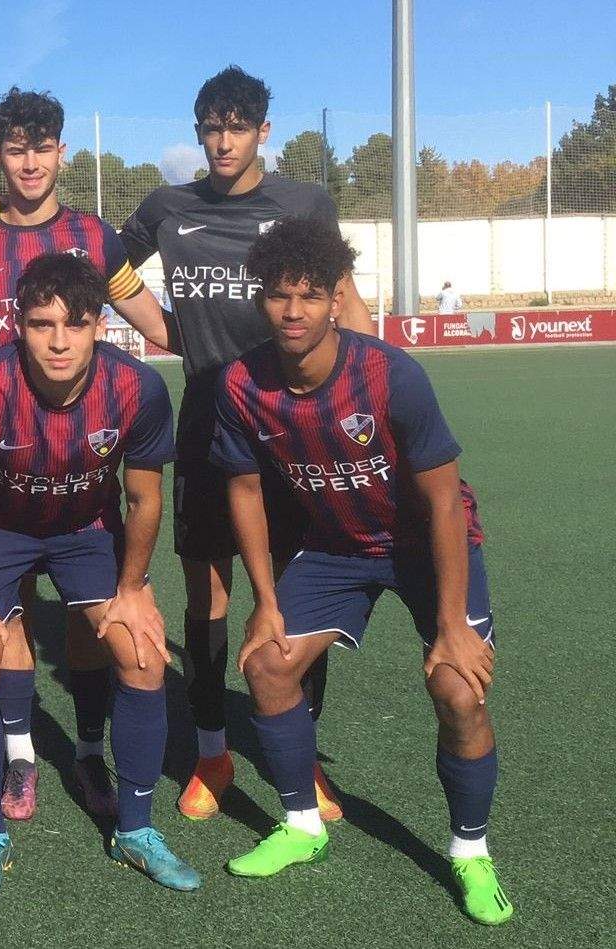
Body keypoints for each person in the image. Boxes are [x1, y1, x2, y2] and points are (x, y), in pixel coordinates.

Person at [211, 217, 511, 926]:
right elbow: (245, 490)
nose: (293, 311)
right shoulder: (242, 384)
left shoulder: (389, 374)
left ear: (336, 299)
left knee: (458, 689)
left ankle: (471, 850)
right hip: (339, 543)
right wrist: (264, 602)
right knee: (268, 663)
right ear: (261, 299)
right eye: (280, 296)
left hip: (426, 543)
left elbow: (443, 500)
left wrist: (449, 626)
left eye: (311, 296)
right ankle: (301, 827)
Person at [120, 66, 374, 821]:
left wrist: (378, 388)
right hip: (205, 414)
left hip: (289, 423)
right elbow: (108, 264)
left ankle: (299, 754)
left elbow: (344, 299)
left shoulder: (303, 203)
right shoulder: (169, 206)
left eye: (237, 126)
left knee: (299, 594)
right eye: (210, 126)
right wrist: (166, 330)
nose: (223, 140)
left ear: (263, 130)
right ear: (199, 131)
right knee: (210, 594)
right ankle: (210, 749)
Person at [0, 252, 193, 897]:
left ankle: (135, 827)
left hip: (85, 529)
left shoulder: (138, 388)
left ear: (99, 326)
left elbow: (144, 498)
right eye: (41, 323)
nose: (57, 341)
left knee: (142, 652)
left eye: (74, 324)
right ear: (17, 324)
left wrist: (132, 591)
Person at [0, 87, 173, 822]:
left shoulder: (95, 234)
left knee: (88, 627)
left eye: (41, 147)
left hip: (83, 471)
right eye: (15, 148)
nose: (29, 162)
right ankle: (22, 756)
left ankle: (85, 747)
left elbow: (156, 320)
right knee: (5, 620)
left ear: (61, 152)